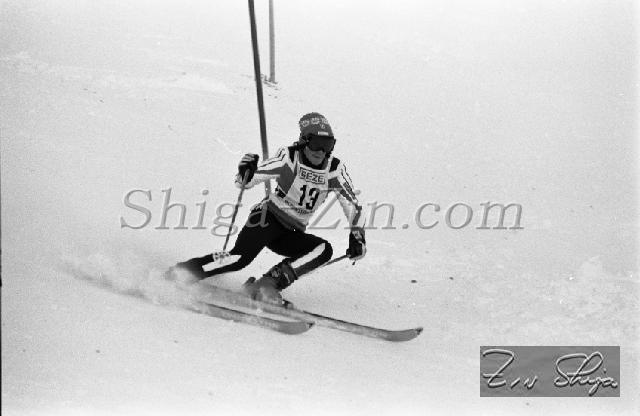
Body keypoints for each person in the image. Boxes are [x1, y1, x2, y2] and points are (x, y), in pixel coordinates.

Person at [174, 112, 366, 304]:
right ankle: (183, 272)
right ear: (304, 141)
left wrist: (357, 236)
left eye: (328, 145)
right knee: (239, 259)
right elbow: (245, 182)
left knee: (323, 249)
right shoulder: (289, 157)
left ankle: (267, 285)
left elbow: (352, 205)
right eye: (316, 143)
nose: (321, 151)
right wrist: (246, 170)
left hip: (290, 233)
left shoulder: (334, 170)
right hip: (267, 218)